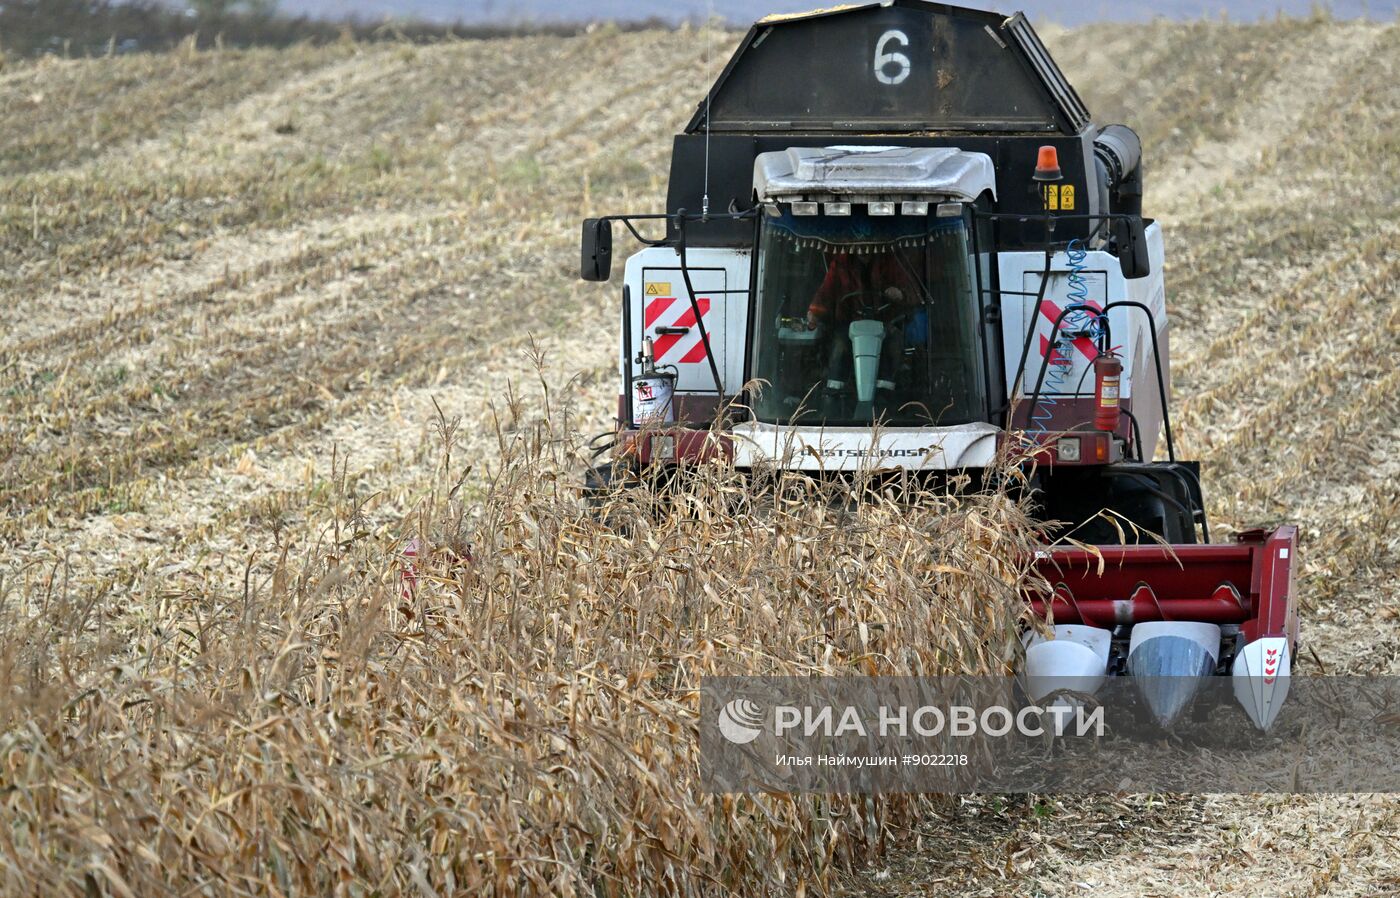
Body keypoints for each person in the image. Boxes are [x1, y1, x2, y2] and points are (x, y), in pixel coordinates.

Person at [804, 248, 924, 416]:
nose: (862, 249)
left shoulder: (890, 261)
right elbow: (826, 291)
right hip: (849, 323)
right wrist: (814, 312)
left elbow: (911, 292)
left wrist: (900, 293)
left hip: (884, 322)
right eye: (858, 245)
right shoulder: (840, 263)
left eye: (867, 245)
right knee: (839, 346)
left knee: (893, 342)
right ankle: (833, 394)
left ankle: (885, 394)